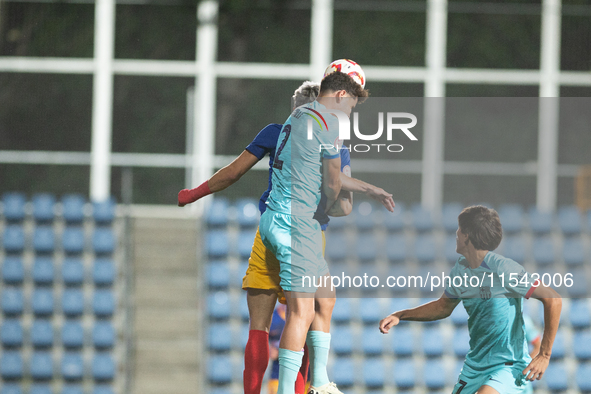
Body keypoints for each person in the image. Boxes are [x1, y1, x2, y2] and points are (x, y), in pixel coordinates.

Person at [178, 79, 394, 394]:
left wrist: (193, 194)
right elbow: (343, 206)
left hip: (268, 230)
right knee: (307, 314)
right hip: (307, 232)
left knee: (260, 328)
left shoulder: (276, 132)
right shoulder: (332, 141)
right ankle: (305, 387)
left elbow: (233, 172)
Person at [259, 72, 369, 394]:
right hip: (296, 226)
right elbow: (336, 190)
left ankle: (319, 381)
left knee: (325, 298)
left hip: (286, 221)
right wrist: (348, 196)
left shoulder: (292, 122)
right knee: (302, 311)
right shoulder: (327, 128)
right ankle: (289, 390)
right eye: (349, 105)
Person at [379, 205, 562, 394]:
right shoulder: (461, 269)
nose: (456, 234)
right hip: (474, 368)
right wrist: (401, 315)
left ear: (467, 235)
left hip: (507, 366)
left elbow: (554, 300)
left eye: (459, 229)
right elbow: (442, 307)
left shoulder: (503, 269)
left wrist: (544, 355)